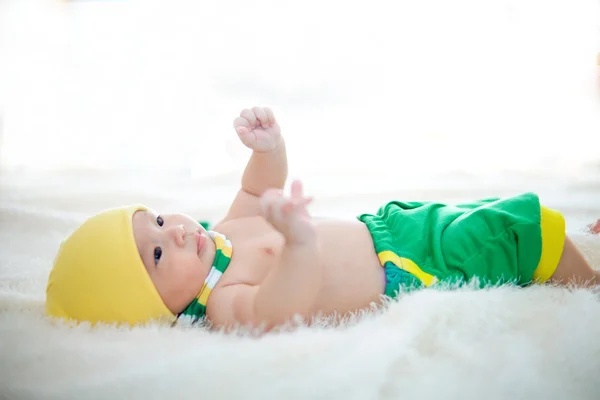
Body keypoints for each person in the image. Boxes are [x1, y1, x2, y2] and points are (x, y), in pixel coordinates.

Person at [46, 106, 600, 331]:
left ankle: (575, 250)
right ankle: (588, 283)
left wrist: (269, 146)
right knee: (513, 232)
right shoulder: (222, 302)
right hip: (406, 266)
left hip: (390, 227)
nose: (175, 232)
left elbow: (257, 185)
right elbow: (279, 305)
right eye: (158, 254)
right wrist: (298, 244)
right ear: (154, 303)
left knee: (477, 215)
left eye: (160, 220)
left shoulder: (222, 233)